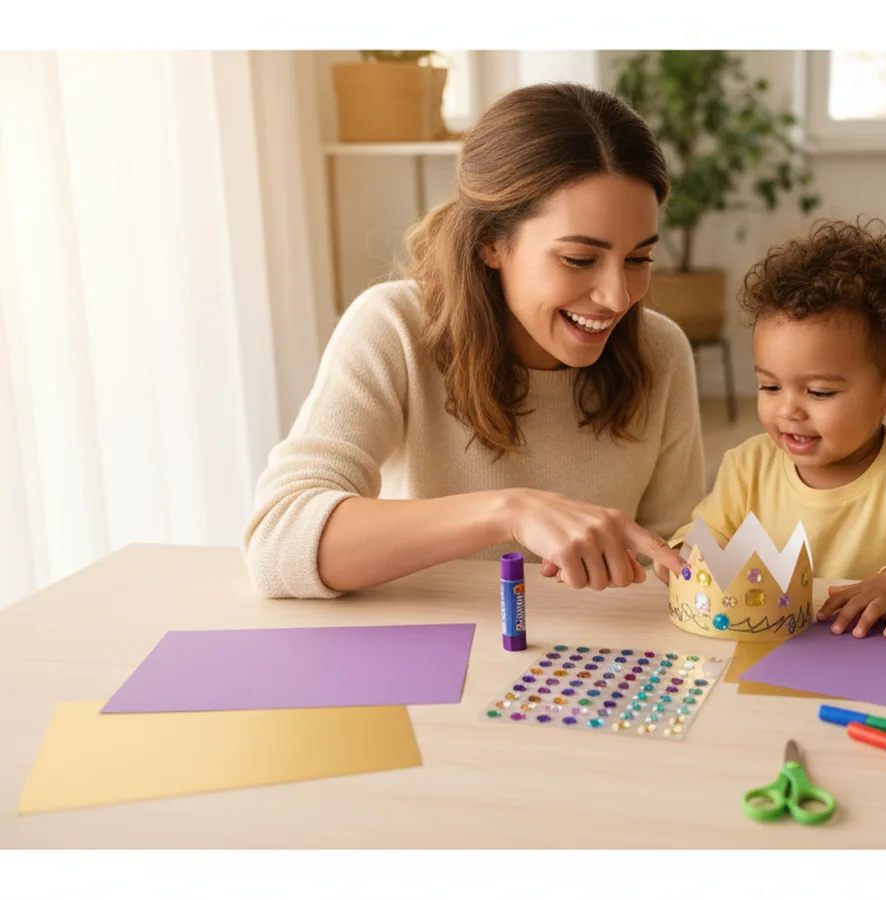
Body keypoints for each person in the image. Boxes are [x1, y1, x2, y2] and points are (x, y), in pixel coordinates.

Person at [244, 82, 704, 599]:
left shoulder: (660, 352)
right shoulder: (394, 328)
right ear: (491, 242)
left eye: (639, 259)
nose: (619, 297)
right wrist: (510, 512)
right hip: (424, 656)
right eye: (579, 259)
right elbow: (278, 543)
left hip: (585, 666)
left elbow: (674, 560)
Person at [665, 219, 886, 637]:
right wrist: (680, 555)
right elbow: (701, 541)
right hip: (773, 659)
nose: (788, 410)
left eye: (819, 392)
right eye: (769, 386)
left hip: (885, 663)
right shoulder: (747, 467)